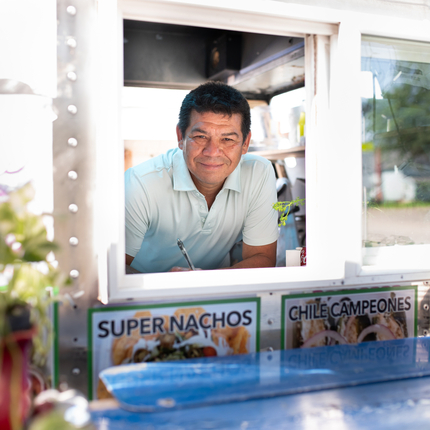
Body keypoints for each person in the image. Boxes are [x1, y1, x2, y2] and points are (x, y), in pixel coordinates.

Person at [125, 81, 278, 273]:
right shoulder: (140, 184)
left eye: (228, 139)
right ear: (180, 136)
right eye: (200, 137)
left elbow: (262, 257)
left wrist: (201, 282)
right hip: (146, 298)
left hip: (219, 294)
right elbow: (111, 270)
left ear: (245, 143)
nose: (213, 152)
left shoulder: (258, 172)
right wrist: (164, 287)